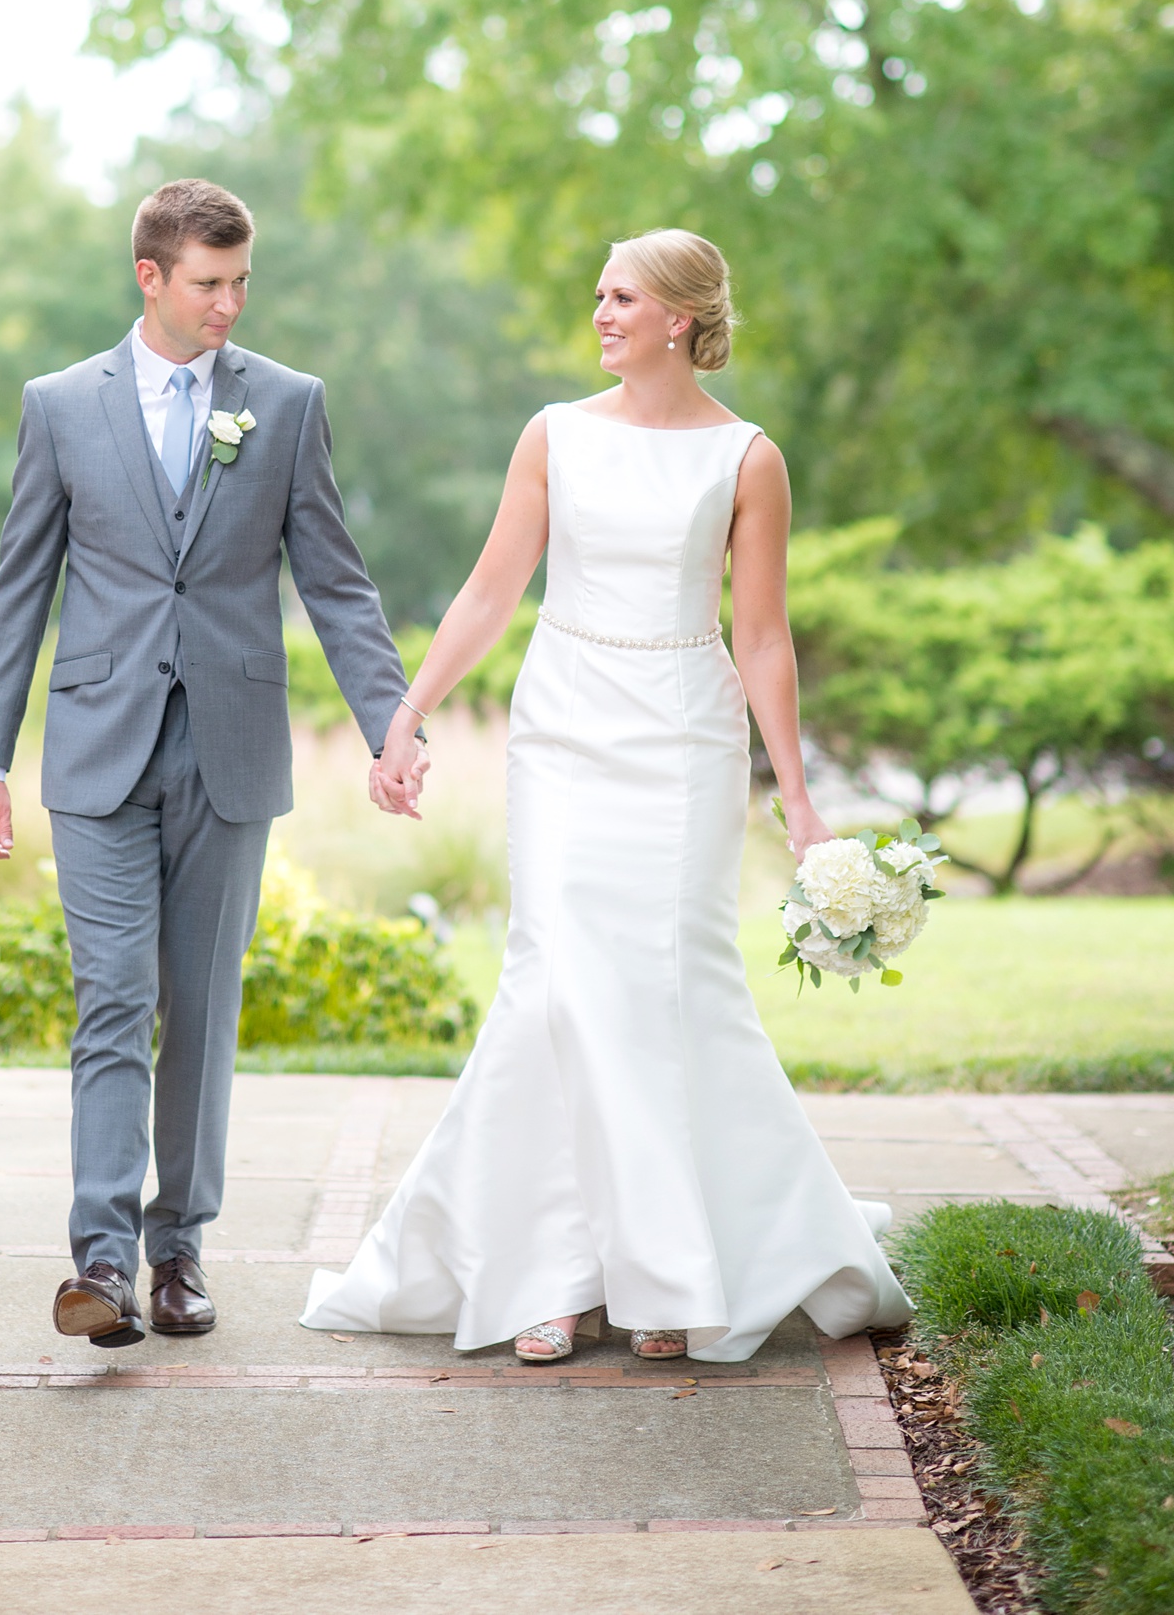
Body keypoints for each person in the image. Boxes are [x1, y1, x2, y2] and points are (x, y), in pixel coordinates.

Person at [301, 228, 910, 1364]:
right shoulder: (553, 436)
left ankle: (670, 1268)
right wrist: (407, 711)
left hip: (683, 736)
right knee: (557, 988)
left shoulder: (748, 460)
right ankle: (546, 1274)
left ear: (680, 317)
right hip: (566, 730)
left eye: (622, 297)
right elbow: (491, 590)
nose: (601, 313)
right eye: (598, 296)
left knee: (671, 987)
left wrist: (797, 797)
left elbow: (764, 637)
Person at [0, 178, 407, 1350]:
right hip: (96, 754)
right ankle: (98, 1262)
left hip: (229, 750)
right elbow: (18, 594)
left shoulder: (287, 405)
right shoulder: (59, 407)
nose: (230, 303)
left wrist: (389, 724)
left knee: (199, 1007)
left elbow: (336, 582)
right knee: (111, 999)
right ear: (149, 278)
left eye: (241, 280)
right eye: (208, 282)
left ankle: (178, 1252)